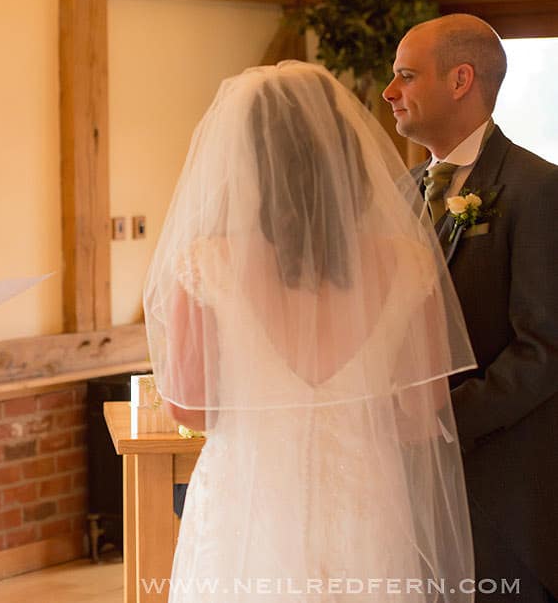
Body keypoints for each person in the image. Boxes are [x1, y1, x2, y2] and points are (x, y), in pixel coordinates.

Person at [147, 61, 477, 601]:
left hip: (248, 504)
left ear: (247, 161)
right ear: (347, 152)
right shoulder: (410, 264)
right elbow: (421, 417)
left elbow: (188, 407)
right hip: (367, 501)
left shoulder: (205, 266)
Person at [385, 14, 558, 602]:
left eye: (406, 76)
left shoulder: (538, 190)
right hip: (405, 492)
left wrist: (438, 422)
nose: (389, 93)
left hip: (500, 493)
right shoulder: (402, 194)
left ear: (461, 80)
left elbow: (543, 351)